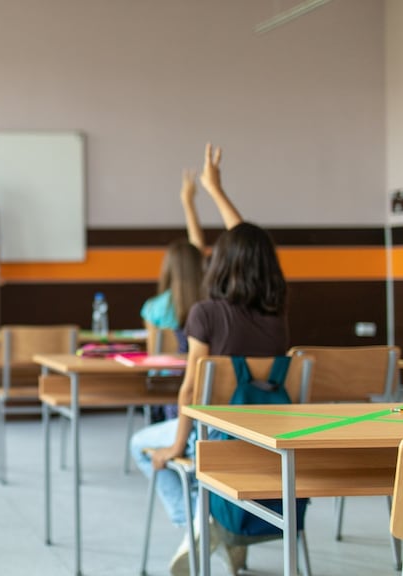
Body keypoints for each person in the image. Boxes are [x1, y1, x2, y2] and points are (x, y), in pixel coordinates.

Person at [131, 143, 284, 576]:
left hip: (214, 438)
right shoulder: (277, 316)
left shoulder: (205, 313)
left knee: (140, 445)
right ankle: (214, 528)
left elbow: (191, 387)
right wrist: (215, 191)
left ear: (218, 267)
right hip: (266, 435)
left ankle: (197, 526)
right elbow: (252, 248)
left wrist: (178, 445)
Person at [140, 171, 206, 355]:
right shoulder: (210, 303)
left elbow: (154, 355)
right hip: (202, 381)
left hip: (163, 381)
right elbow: (197, 250)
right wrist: (189, 203)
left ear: (168, 268)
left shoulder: (153, 308)